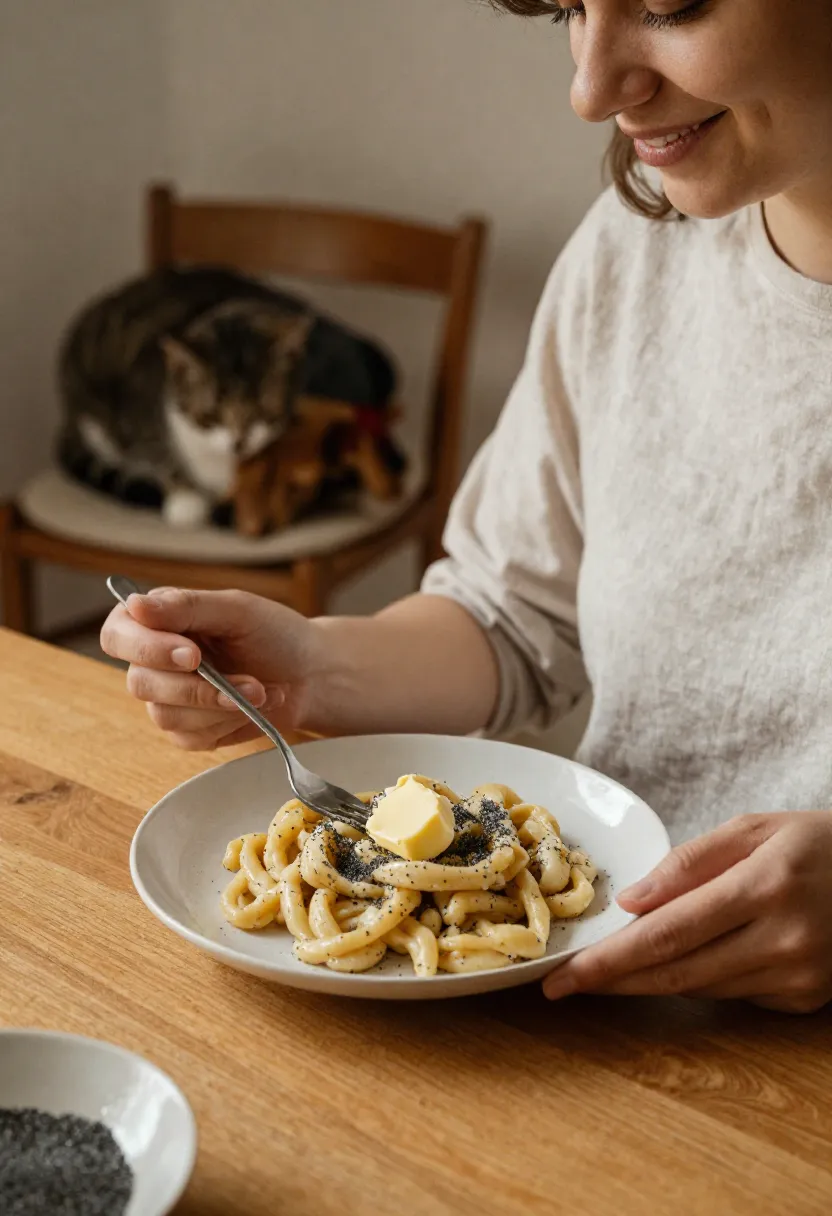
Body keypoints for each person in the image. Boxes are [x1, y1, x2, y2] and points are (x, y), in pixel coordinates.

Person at [100, 0, 832, 1013]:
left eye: (667, 5)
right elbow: (513, 616)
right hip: (580, 1020)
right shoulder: (633, 249)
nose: (587, 89)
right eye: (573, 9)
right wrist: (312, 666)